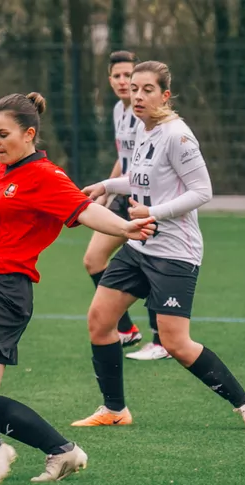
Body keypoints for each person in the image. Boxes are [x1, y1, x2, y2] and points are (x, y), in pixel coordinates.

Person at [0, 92, 156, 485]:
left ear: (28, 134)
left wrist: (124, 227)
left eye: (2, 134)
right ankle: (62, 450)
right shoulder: (0, 168)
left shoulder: (45, 176)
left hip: (1, 286)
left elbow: (84, 209)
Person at [71, 61, 245, 432]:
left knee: (176, 343)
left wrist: (153, 212)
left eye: (147, 89)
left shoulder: (178, 135)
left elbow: (203, 192)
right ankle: (115, 409)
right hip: (141, 248)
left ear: (165, 95)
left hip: (175, 253)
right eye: (134, 88)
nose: (137, 95)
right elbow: (141, 178)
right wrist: (107, 186)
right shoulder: (144, 129)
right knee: (99, 321)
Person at [86, 50, 170, 360]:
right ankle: (126, 329)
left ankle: (162, 340)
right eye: (118, 76)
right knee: (93, 259)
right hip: (125, 195)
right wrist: (107, 191)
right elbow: (124, 160)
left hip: (145, 199)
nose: (124, 82)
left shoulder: (145, 114)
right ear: (110, 80)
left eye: (129, 77)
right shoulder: (118, 111)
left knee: (150, 262)